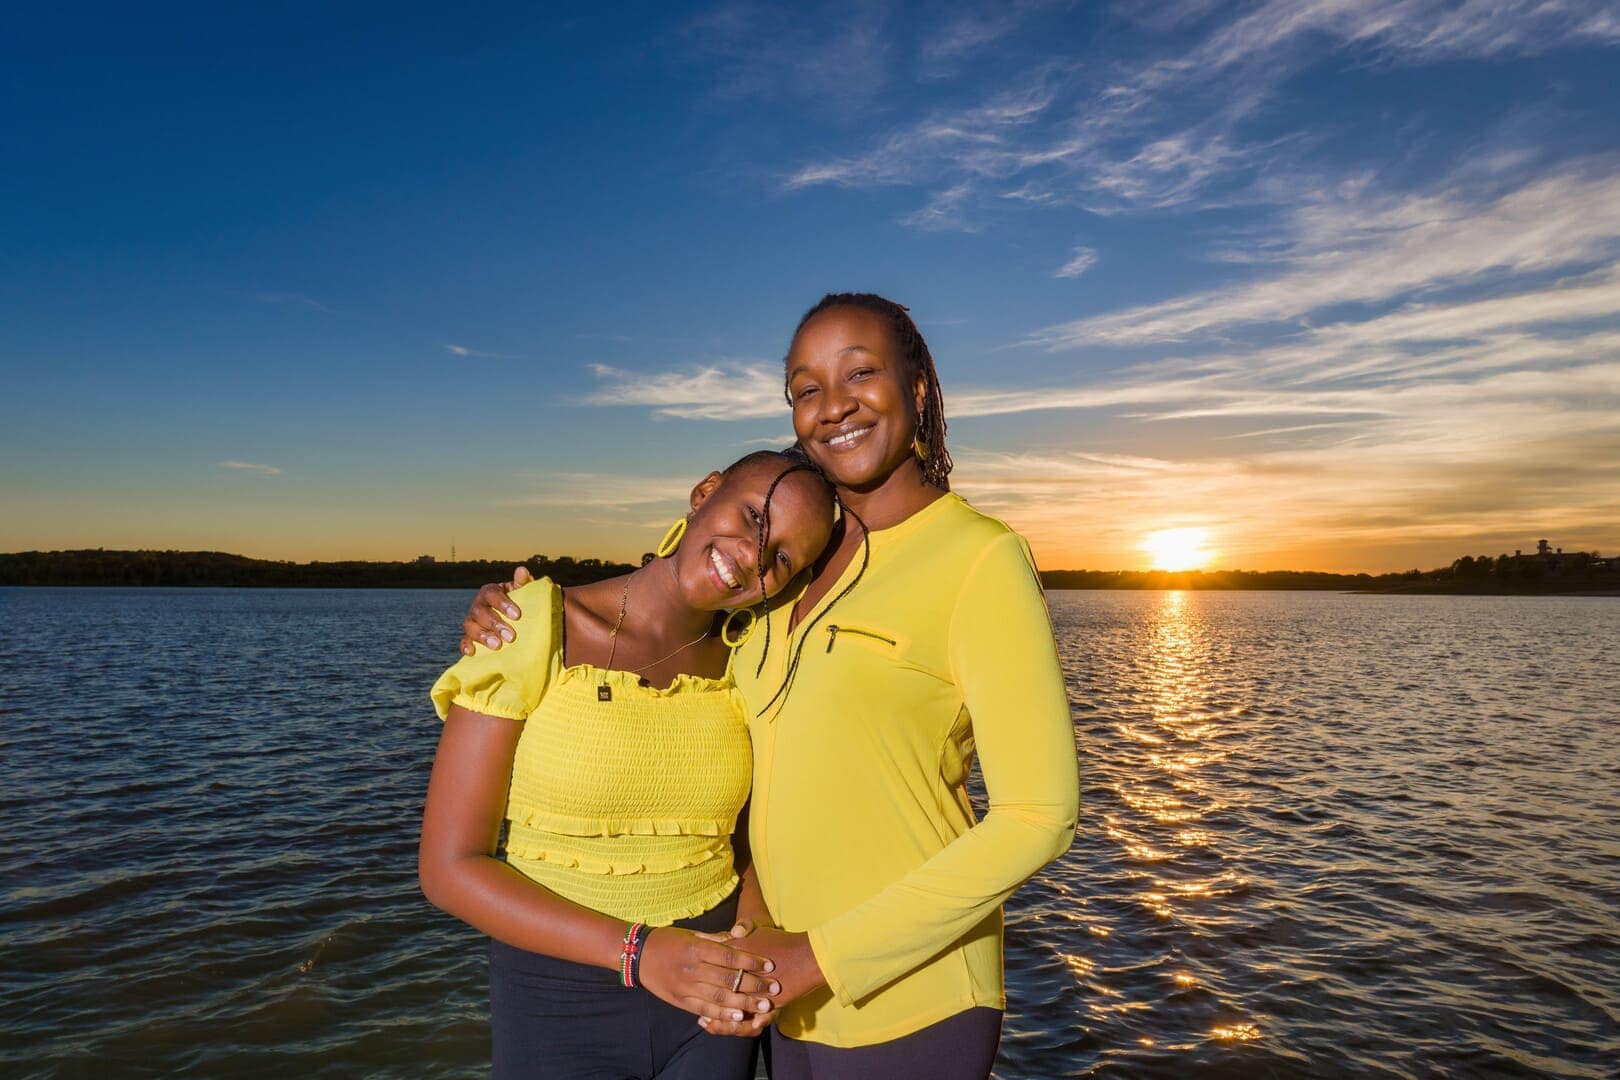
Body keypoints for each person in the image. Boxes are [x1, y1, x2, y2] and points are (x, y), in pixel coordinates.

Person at [459, 293, 1080, 1079]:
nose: (834, 405)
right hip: (766, 995)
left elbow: (1041, 817)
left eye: (861, 372)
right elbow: (678, 580)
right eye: (805, 388)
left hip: (910, 998)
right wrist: (513, 608)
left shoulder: (979, 559)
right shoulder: (786, 569)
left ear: (918, 386)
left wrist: (817, 958)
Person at [419, 449, 837, 1080]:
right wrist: (641, 954)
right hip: (557, 1001)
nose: (754, 556)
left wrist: (753, 945)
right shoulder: (531, 624)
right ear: (704, 494)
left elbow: (745, 839)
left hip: (712, 1005)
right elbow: (448, 868)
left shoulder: (750, 660)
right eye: (753, 516)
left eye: (781, 557)